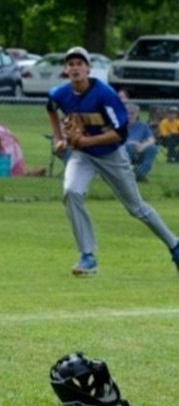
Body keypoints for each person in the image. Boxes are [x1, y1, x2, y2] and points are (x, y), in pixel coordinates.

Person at [46, 46, 179, 276]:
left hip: (111, 155)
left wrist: (84, 141)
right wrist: (59, 139)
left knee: (136, 208)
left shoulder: (104, 94)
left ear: (89, 68)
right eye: (71, 64)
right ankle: (88, 256)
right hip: (83, 155)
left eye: (80, 63)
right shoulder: (60, 93)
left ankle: (175, 246)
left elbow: (121, 134)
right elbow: (50, 108)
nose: (75, 68)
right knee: (71, 192)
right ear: (66, 70)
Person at [124, 104, 158, 182]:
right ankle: (127, 174)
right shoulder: (119, 125)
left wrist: (143, 146)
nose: (129, 116)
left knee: (152, 148)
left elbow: (152, 140)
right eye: (127, 113)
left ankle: (139, 175)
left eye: (132, 113)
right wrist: (133, 143)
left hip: (139, 150)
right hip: (123, 151)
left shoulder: (143, 125)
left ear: (137, 114)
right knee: (129, 147)